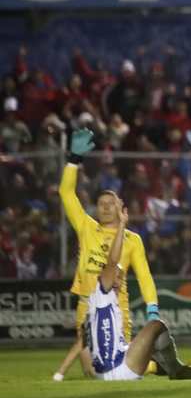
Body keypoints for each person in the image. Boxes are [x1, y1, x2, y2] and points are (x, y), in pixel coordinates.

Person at [52, 129, 163, 381]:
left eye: (110, 202)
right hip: (85, 305)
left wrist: (152, 307)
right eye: (100, 203)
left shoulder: (132, 240)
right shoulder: (86, 227)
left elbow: (144, 275)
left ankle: (155, 364)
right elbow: (66, 194)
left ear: (122, 208)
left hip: (116, 309)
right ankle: (154, 364)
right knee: (92, 371)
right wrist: (73, 160)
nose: (104, 206)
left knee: (112, 369)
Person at [75, 201, 191, 381]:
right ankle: (173, 368)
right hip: (118, 370)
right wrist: (121, 226)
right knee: (156, 325)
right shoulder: (102, 294)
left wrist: (89, 373)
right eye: (118, 276)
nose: (121, 278)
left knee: (144, 338)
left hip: (109, 368)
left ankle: (160, 363)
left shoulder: (106, 303)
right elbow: (112, 262)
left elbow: (83, 348)